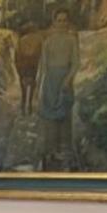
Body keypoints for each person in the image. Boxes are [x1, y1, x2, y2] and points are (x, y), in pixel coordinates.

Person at [37, 9, 79, 170]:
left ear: (68, 22)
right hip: (50, 82)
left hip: (65, 81)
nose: (62, 23)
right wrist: (39, 88)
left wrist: (67, 80)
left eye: (64, 20)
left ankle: (65, 152)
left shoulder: (71, 40)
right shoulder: (47, 42)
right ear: (54, 22)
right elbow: (43, 67)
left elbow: (76, 63)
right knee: (50, 119)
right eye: (59, 20)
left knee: (64, 117)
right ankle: (50, 151)